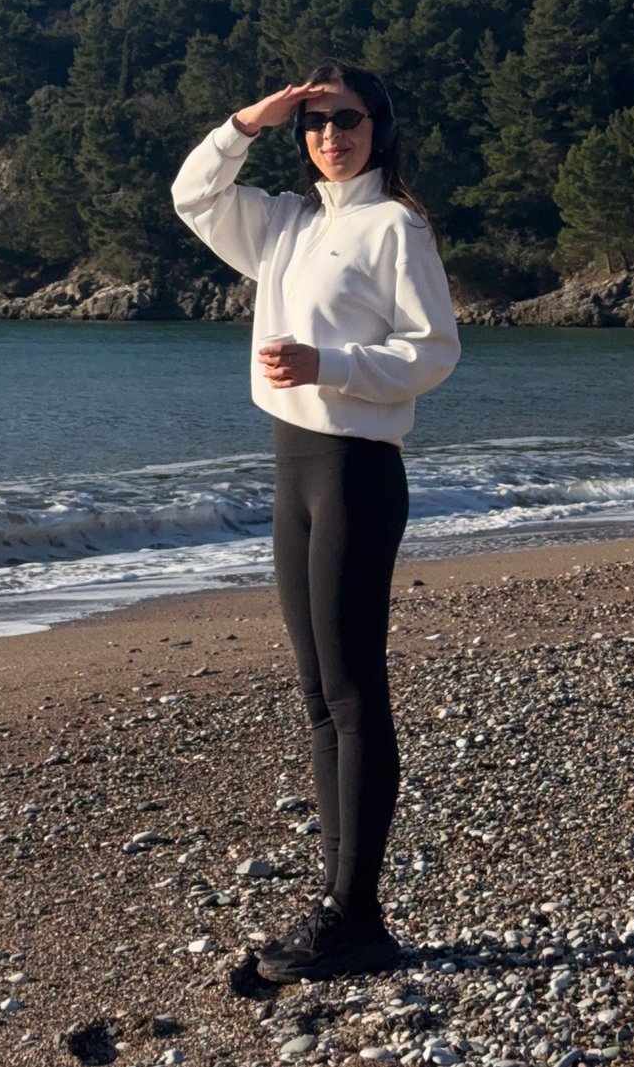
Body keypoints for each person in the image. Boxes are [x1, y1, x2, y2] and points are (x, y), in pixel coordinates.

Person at [171, 60, 460, 983]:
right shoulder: (286, 225)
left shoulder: (393, 226)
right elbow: (191, 194)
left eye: (349, 119)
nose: (332, 134)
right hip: (291, 468)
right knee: (315, 691)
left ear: (380, 127)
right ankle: (341, 903)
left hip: (355, 472)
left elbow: (433, 352)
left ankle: (356, 915)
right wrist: (248, 119)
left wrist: (328, 362)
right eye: (317, 120)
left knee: (351, 689)